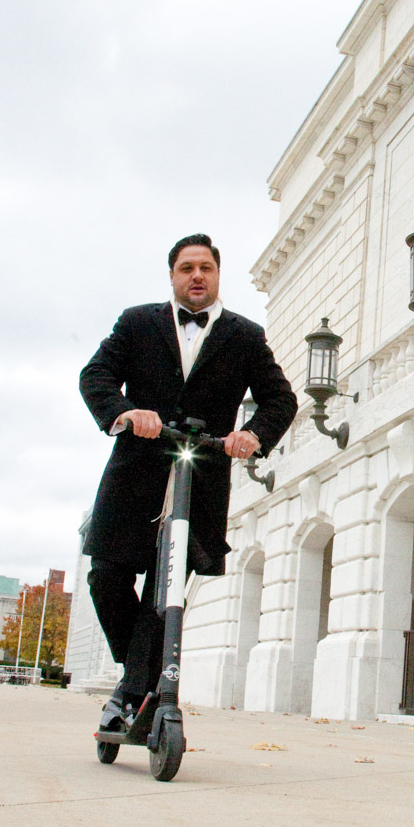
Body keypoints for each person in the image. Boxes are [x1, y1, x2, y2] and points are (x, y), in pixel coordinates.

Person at [79, 233, 297, 731]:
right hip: (135, 473)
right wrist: (126, 412)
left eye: (205, 268)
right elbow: (96, 375)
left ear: (217, 275)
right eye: (186, 268)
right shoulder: (137, 323)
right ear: (172, 276)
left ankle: (131, 697)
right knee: (106, 575)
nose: (196, 275)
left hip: (200, 477)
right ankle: (139, 676)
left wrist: (252, 434)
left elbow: (280, 399)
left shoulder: (245, 335)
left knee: (166, 591)